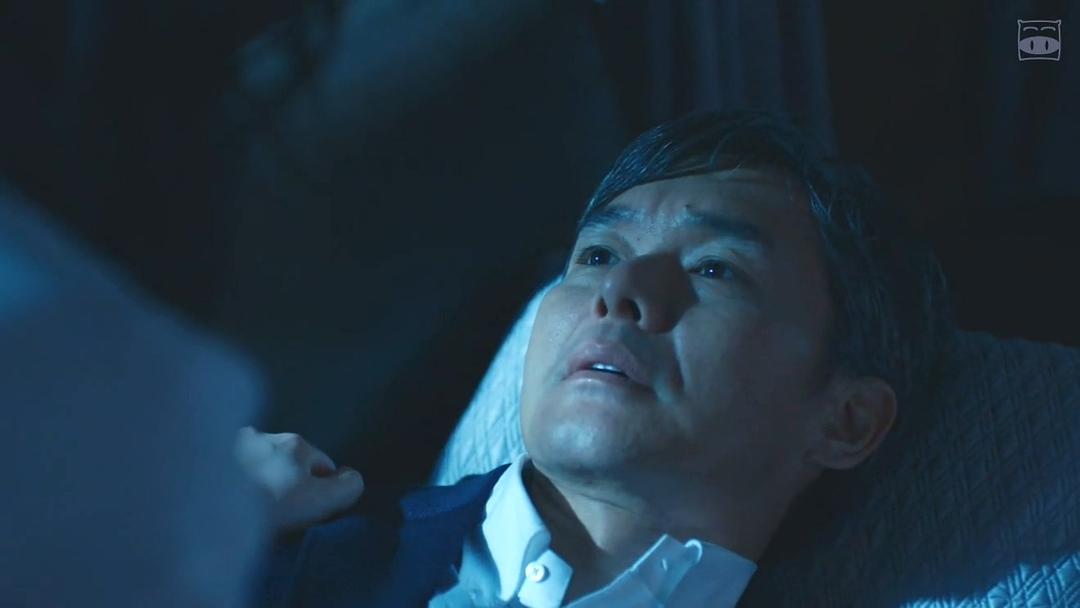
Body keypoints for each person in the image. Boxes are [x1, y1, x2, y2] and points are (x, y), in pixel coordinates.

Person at [239, 110, 949, 607]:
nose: (620, 290)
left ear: (848, 421)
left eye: (714, 269)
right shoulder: (260, 547)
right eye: (599, 255)